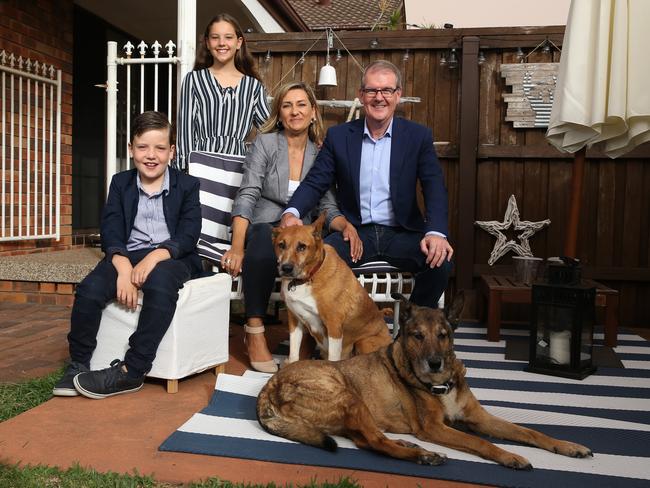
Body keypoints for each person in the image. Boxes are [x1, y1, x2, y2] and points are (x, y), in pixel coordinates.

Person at [52, 111, 203, 399]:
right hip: (128, 254)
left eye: (160, 148)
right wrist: (122, 267)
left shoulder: (187, 185)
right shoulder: (120, 183)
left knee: (160, 284)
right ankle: (78, 363)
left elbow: (188, 234)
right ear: (131, 149)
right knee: (90, 289)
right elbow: (110, 229)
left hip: (172, 257)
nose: (151, 155)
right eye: (143, 147)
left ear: (171, 152)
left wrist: (155, 257)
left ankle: (132, 371)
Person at [281, 60, 453, 309]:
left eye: (387, 90)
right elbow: (316, 181)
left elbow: (434, 187)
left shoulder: (418, 136)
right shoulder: (339, 136)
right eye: (372, 90)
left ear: (398, 95)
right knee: (316, 258)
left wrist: (436, 232)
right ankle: (328, 333)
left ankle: (411, 326)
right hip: (355, 233)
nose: (379, 97)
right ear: (361, 95)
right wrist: (292, 212)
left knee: (441, 261)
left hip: (402, 233)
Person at [220, 81, 353, 373]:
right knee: (262, 245)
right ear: (279, 114)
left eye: (302, 104)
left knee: (324, 251)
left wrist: (345, 225)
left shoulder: (323, 153)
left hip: (304, 232)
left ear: (314, 112)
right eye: (287, 105)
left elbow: (328, 207)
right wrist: (236, 246)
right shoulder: (266, 144)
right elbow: (248, 193)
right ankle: (254, 328)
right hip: (266, 225)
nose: (295, 112)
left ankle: (308, 331)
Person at [174, 13, 270, 171]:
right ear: (207, 42)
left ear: (238, 42)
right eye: (215, 37)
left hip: (237, 171)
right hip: (200, 168)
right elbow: (186, 132)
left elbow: (270, 130)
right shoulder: (194, 80)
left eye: (228, 37)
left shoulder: (253, 86)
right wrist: (184, 172)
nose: (221, 43)